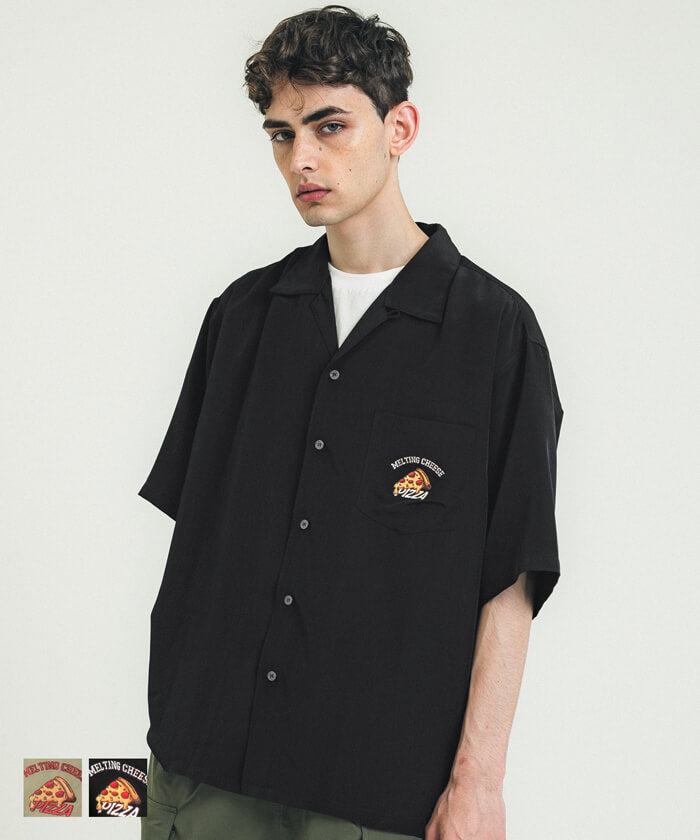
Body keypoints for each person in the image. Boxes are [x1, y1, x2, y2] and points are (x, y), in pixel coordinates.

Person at [138, 5, 564, 840]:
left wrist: (479, 783)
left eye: (329, 126)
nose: (301, 158)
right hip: (201, 774)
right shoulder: (241, 317)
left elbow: (510, 579)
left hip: (376, 796)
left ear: (399, 128)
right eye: (281, 134)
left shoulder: (494, 333)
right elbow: (201, 549)